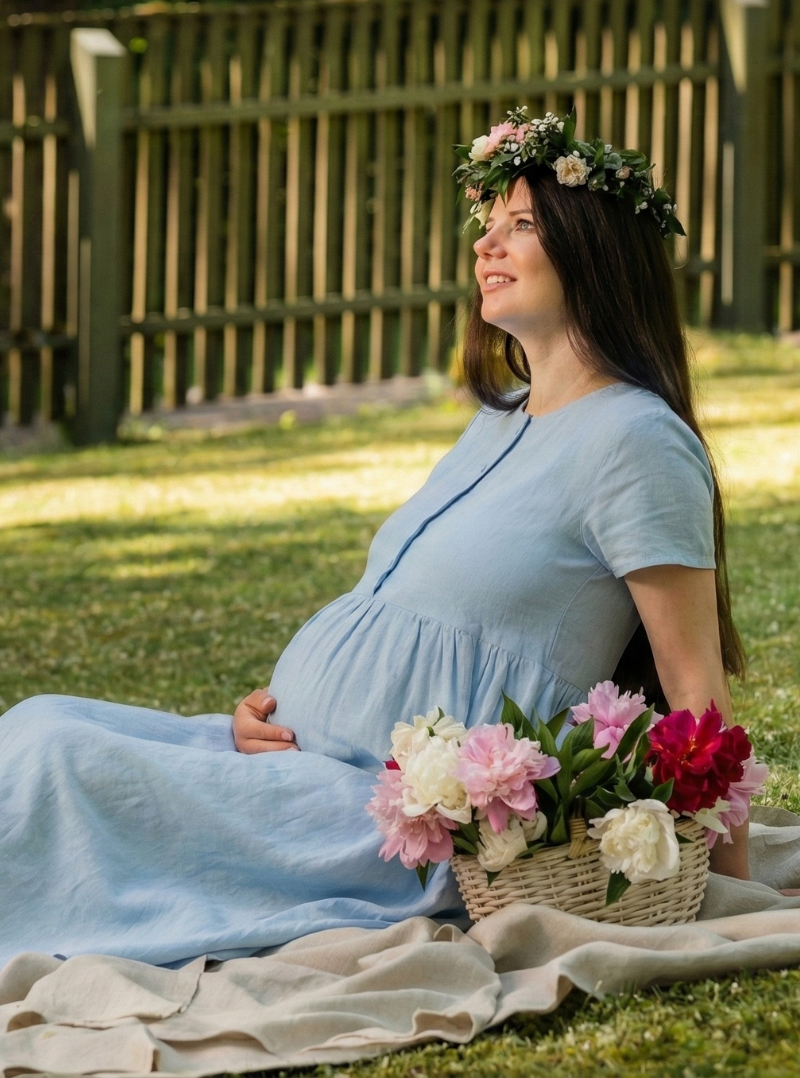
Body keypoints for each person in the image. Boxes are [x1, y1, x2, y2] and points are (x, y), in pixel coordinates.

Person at [0, 109, 753, 970]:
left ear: (596, 251)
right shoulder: (499, 419)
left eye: (522, 226)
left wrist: (726, 889)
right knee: (43, 720)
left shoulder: (636, 442)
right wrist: (280, 706)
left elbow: (693, 681)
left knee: (54, 759)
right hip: (296, 761)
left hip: (379, 826)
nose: (487, 247)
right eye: (488, 226)